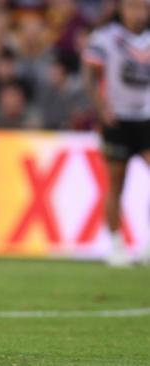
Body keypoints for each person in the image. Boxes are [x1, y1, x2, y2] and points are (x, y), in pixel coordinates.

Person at [82, 0, 150, 266]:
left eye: (144, 7)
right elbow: (88, 76)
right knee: (116, 185)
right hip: (117, 121)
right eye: (134, 7)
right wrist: (101, 109)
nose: (139, 13)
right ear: (121, 9)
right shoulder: (104, 38)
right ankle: (116, 243)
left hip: (146, 118)